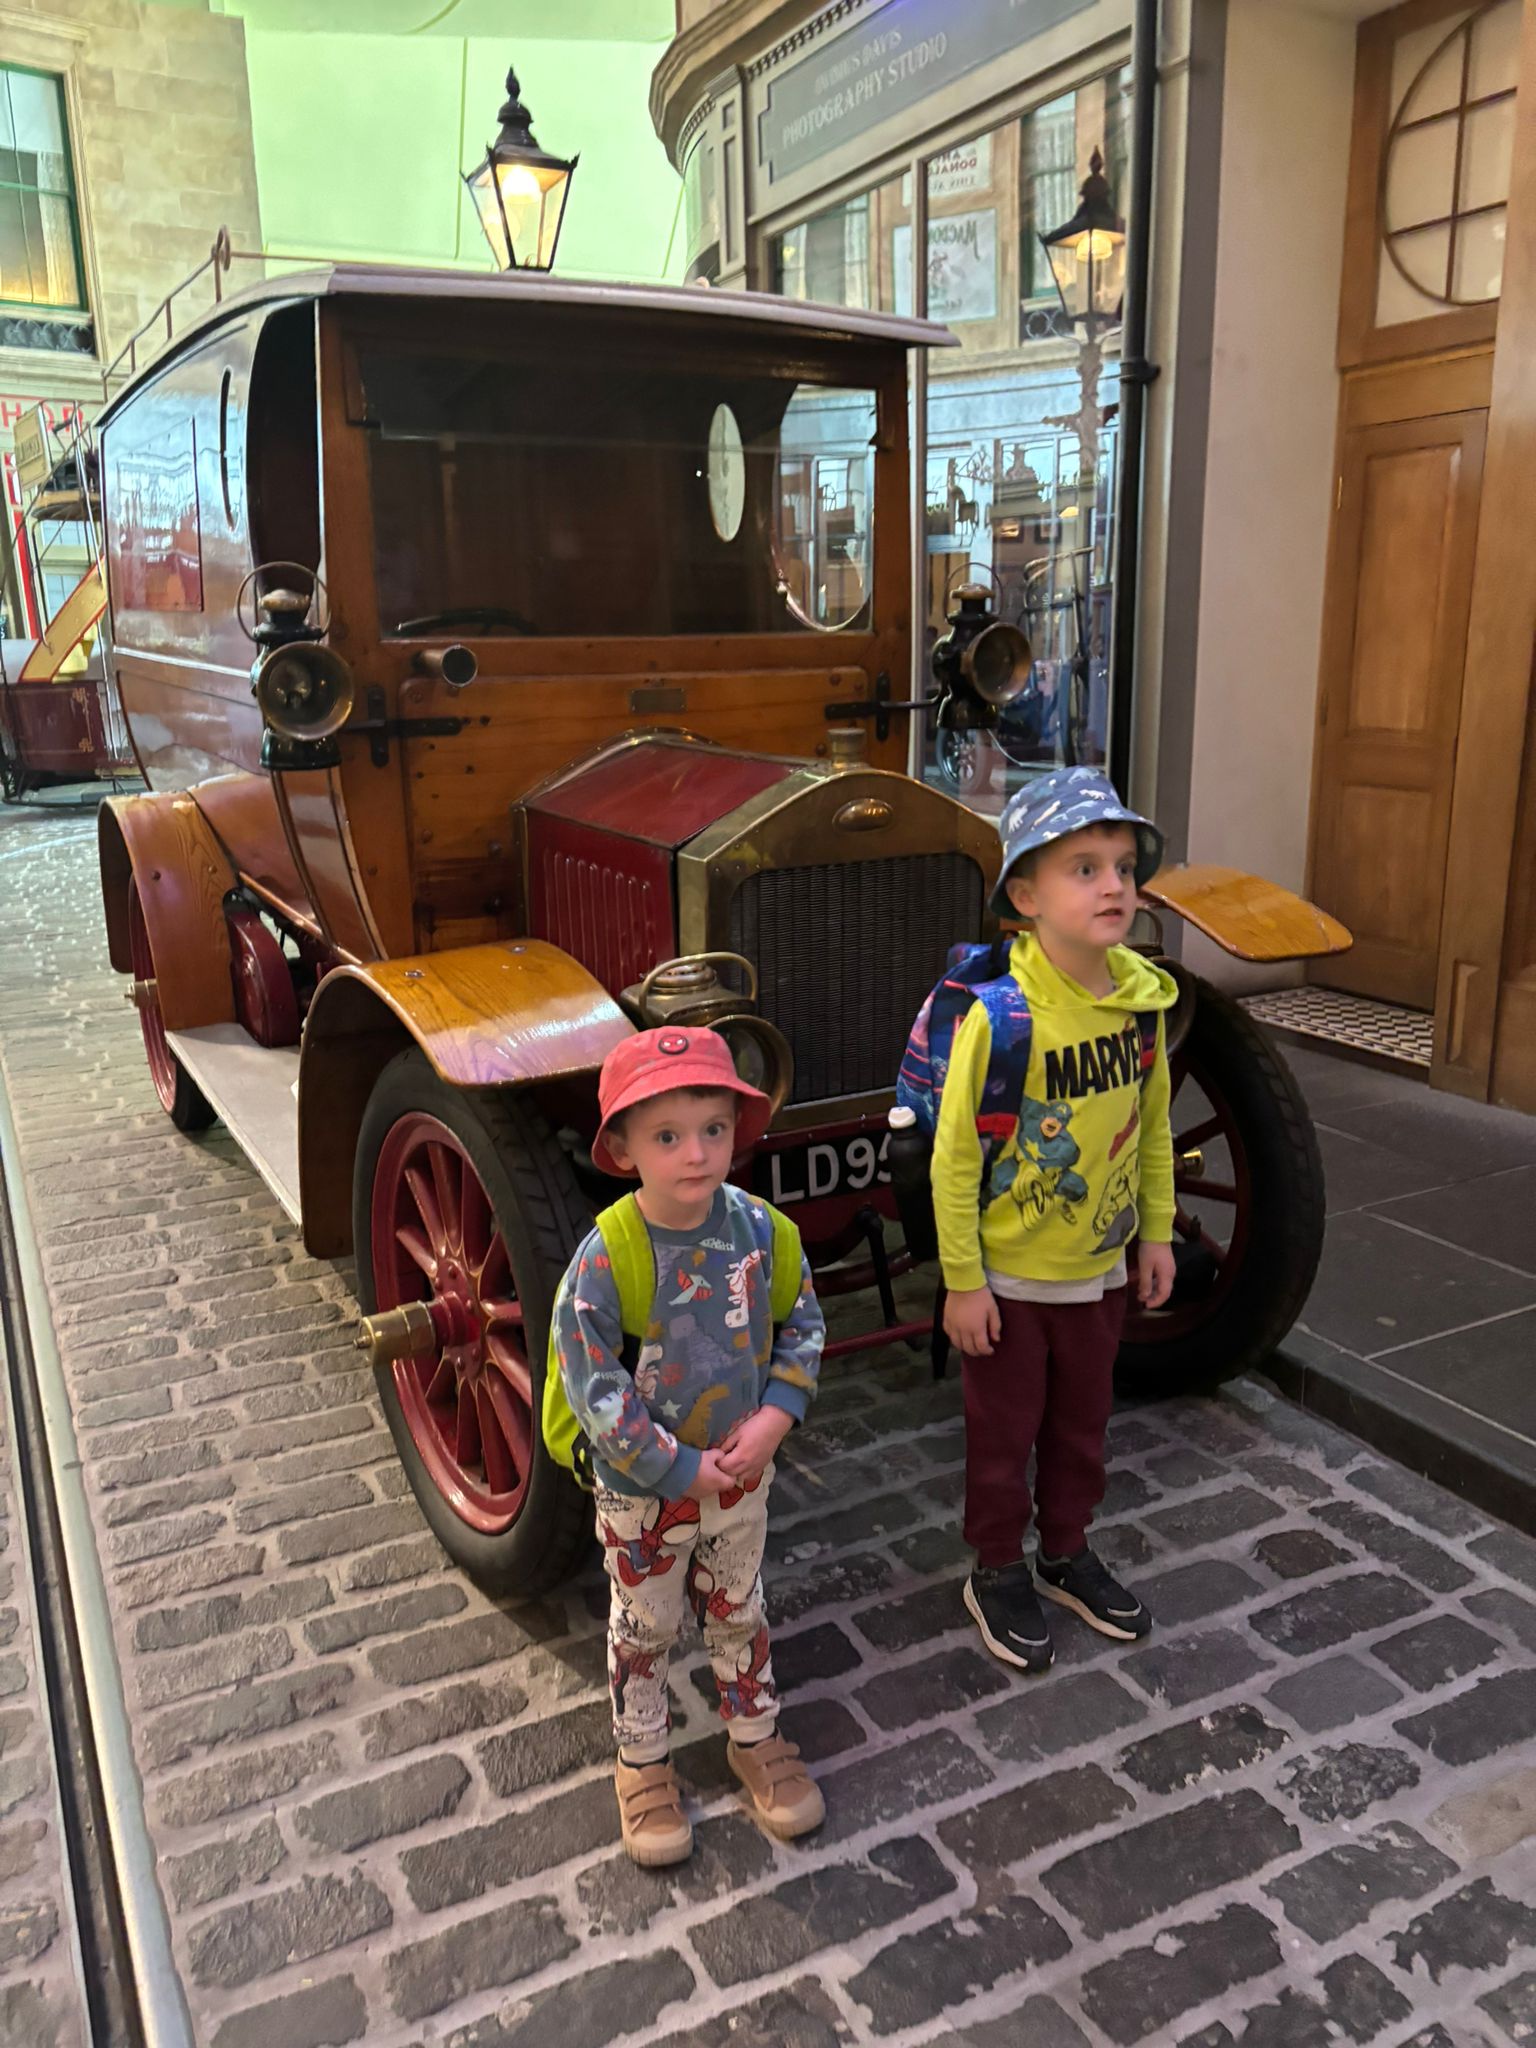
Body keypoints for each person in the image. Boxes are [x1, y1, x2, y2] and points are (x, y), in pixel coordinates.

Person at [550, 1025, 827, 1867]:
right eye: (667, 1136)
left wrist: (776, 1416)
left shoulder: (763, 1233)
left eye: (713, 1129)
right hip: (644, 1492)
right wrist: (677, 1467)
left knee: (740, 1607)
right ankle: (641, 1759)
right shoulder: (609, 1259)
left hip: (742, 1476)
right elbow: (592, 1385)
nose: (696, 1154)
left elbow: (803, 1325)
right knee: (644, 1625)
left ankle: (755, 1735)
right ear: (625, 1149)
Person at [933, 766, 1178, 1673]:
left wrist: (1156, 1231)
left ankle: (1066, 1550)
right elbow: (956, 1159)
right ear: (1026, 898)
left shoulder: (1141, 1008)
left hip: (1098, 1270)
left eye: (1122, 864)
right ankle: (997, 1566)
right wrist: (962, 1280)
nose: (1114, 883)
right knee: (1003, 1438)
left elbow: (1150, 1129)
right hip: (1008, 1277)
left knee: (1082, 1425)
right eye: (1084, 867)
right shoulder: (1000, 1021)